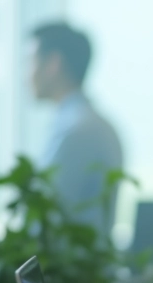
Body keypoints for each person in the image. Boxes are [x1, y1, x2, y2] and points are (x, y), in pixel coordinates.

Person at [29, 22, 123, 236]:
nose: (27, 74)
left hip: (68, 268)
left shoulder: (75, 132)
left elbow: (44, 222)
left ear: (53, 64)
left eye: (31, 61)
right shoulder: (98, 124)